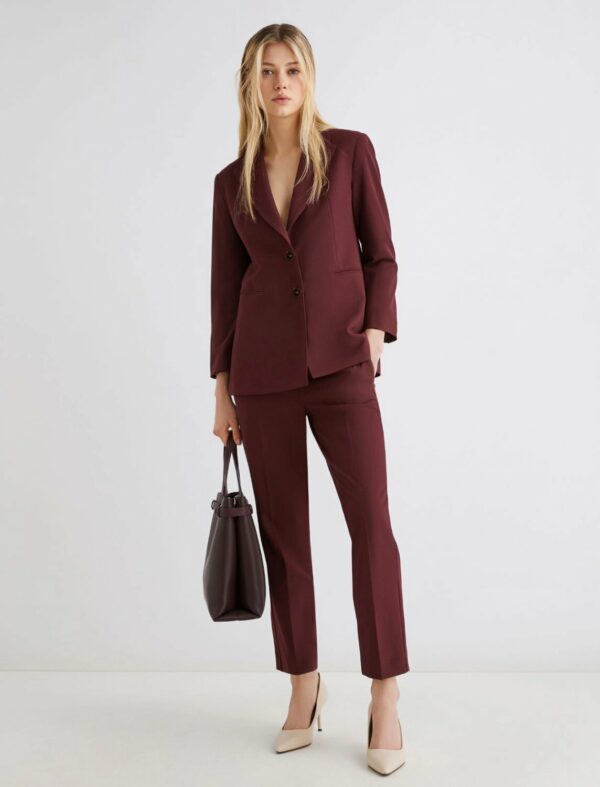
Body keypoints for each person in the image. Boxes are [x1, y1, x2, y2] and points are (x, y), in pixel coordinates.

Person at [210, 23, 409, 775]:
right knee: (286, 537)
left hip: (342, 365)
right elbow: (225, 292)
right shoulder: (231, 183)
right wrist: (223, 391)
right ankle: (303, 684)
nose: (280, 83)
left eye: (291, 69)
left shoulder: (350, 153)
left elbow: (381, 254)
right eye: (266, 71)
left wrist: (376, 330)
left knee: (371, 529)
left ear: (309, 76)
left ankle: (384, 693)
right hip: (262, 376)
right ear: (250, 84)